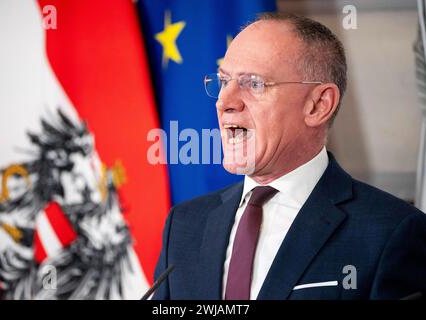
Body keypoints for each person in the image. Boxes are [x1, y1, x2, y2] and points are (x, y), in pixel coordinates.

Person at [153, 12, 426, 300]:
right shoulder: (184, 225)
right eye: (223, 81)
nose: (224, 102)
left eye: (253, 84)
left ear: (318, 105)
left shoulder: (391, 233)